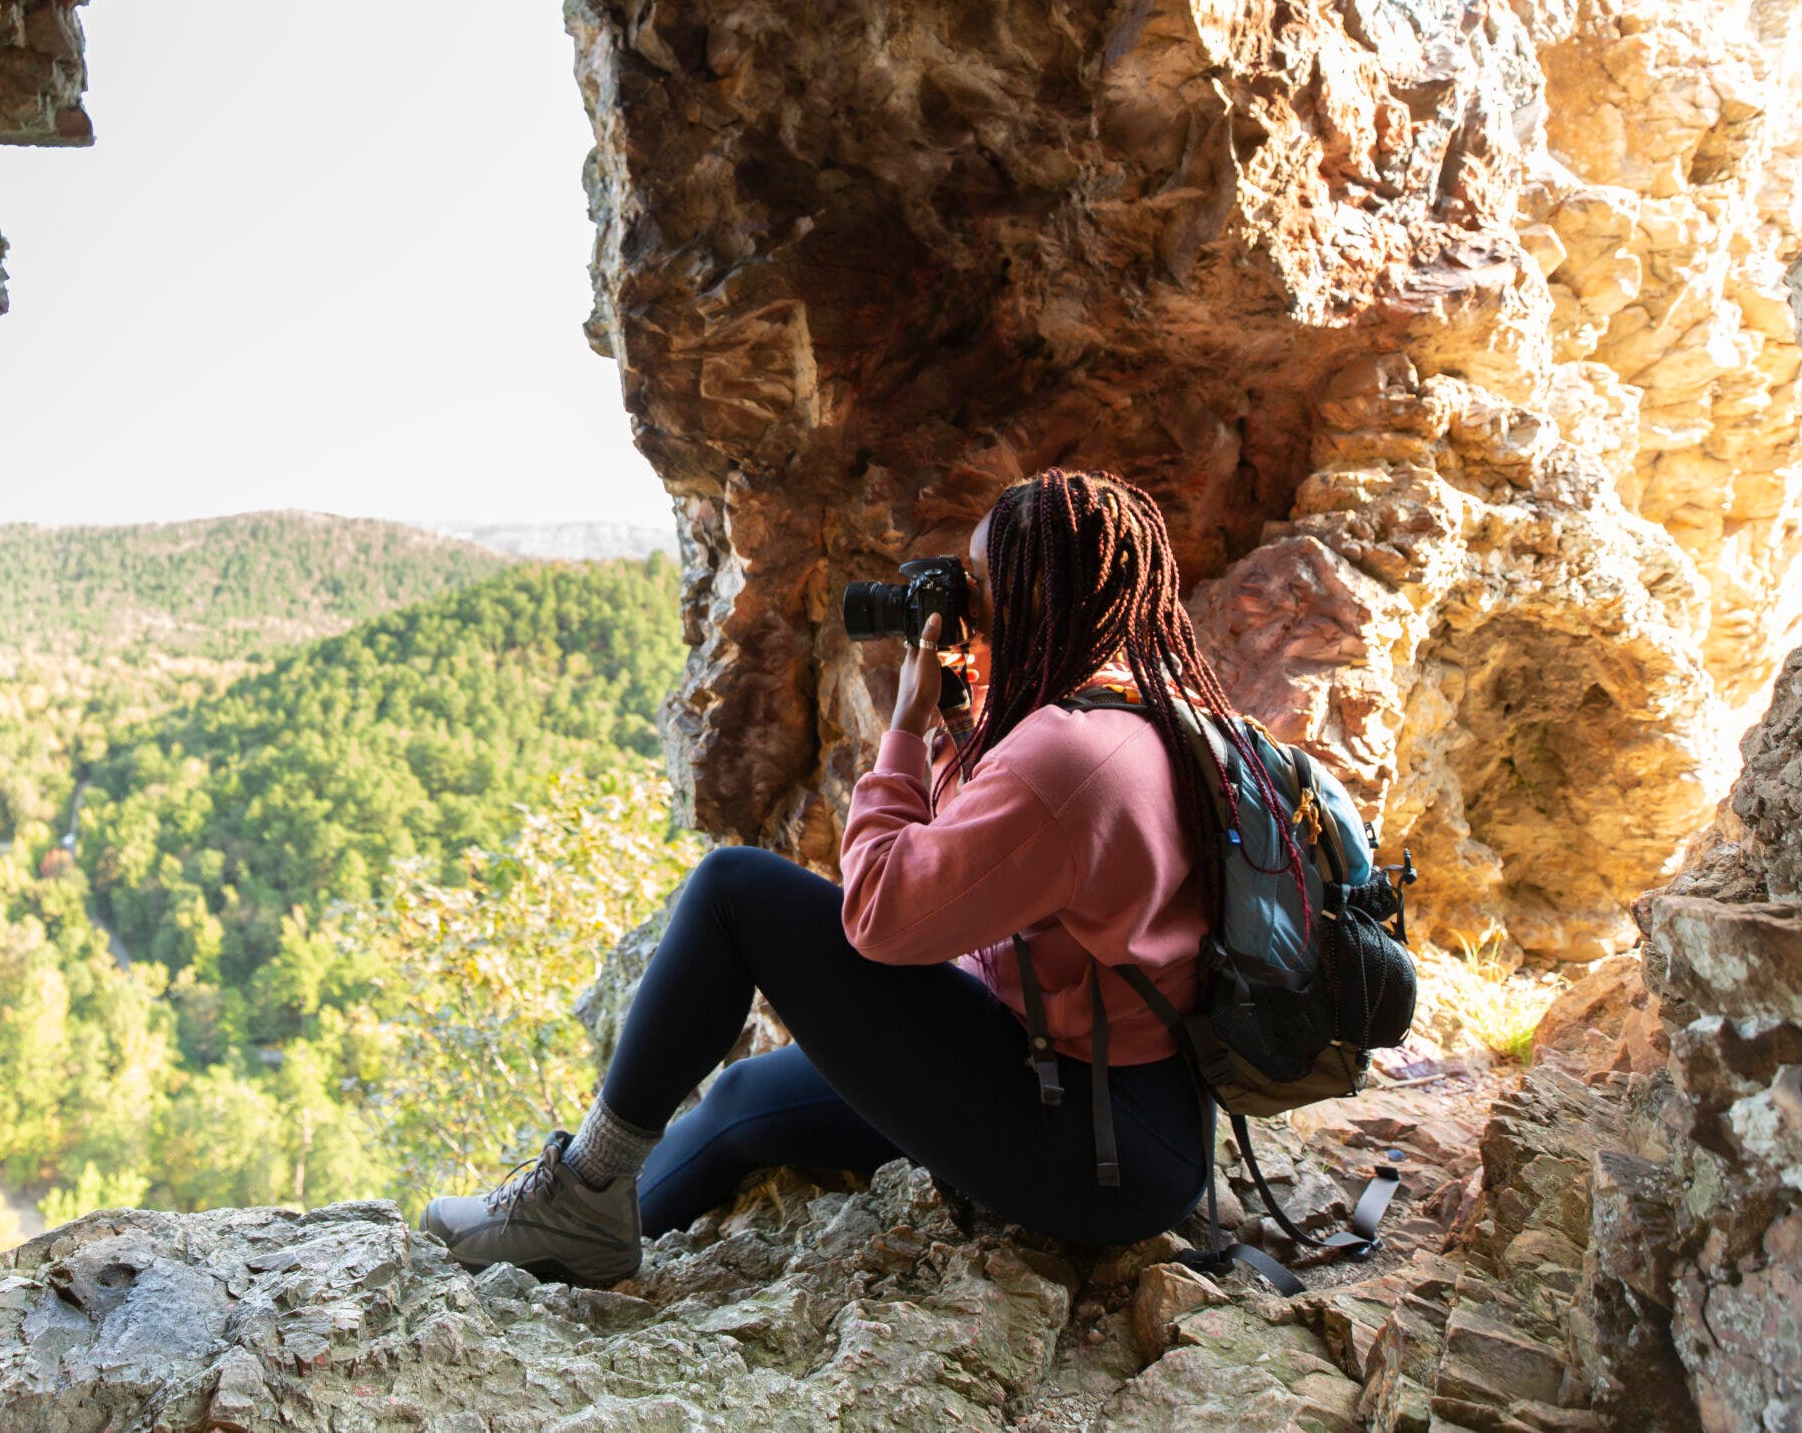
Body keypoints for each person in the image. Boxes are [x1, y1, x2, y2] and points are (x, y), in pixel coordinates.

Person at [420, 469, 1235, 1286]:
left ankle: (582, 1193)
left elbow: (882, 914)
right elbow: (975, 858)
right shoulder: (1132, 712)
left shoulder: (1065, 759)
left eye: (983, 586)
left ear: (1036, 599)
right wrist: (960, 713)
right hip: (1124, 1104)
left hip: (1098, 1145)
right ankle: (565, 1241)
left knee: (734, 894)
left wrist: (908, 727)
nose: (967, 606)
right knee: (743, 1100)